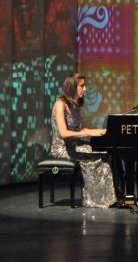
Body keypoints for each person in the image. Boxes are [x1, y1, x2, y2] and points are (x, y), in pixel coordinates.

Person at [50, 73, 118, 208]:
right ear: (72, 87)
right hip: (62, 149)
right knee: (97, 155)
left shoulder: (74, 106)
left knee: (106, 151)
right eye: (82, 86)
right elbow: (63, 133)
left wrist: (102, 131)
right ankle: (95, 199)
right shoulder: (60, 104)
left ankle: (110, 197)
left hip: (77, 145)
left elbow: (82, 130)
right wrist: (87, 133)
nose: (85, 89)